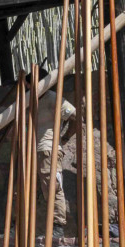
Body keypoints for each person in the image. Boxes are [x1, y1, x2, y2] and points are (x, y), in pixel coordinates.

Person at [36, 81, 79, 231]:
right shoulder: (30, 99)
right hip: (31, 151)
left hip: (48, 149)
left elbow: (75, 116)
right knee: (21, 188)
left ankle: (57, 227)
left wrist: (65, 137)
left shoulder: (52, 97)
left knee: (52, 187)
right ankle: (18, 226)